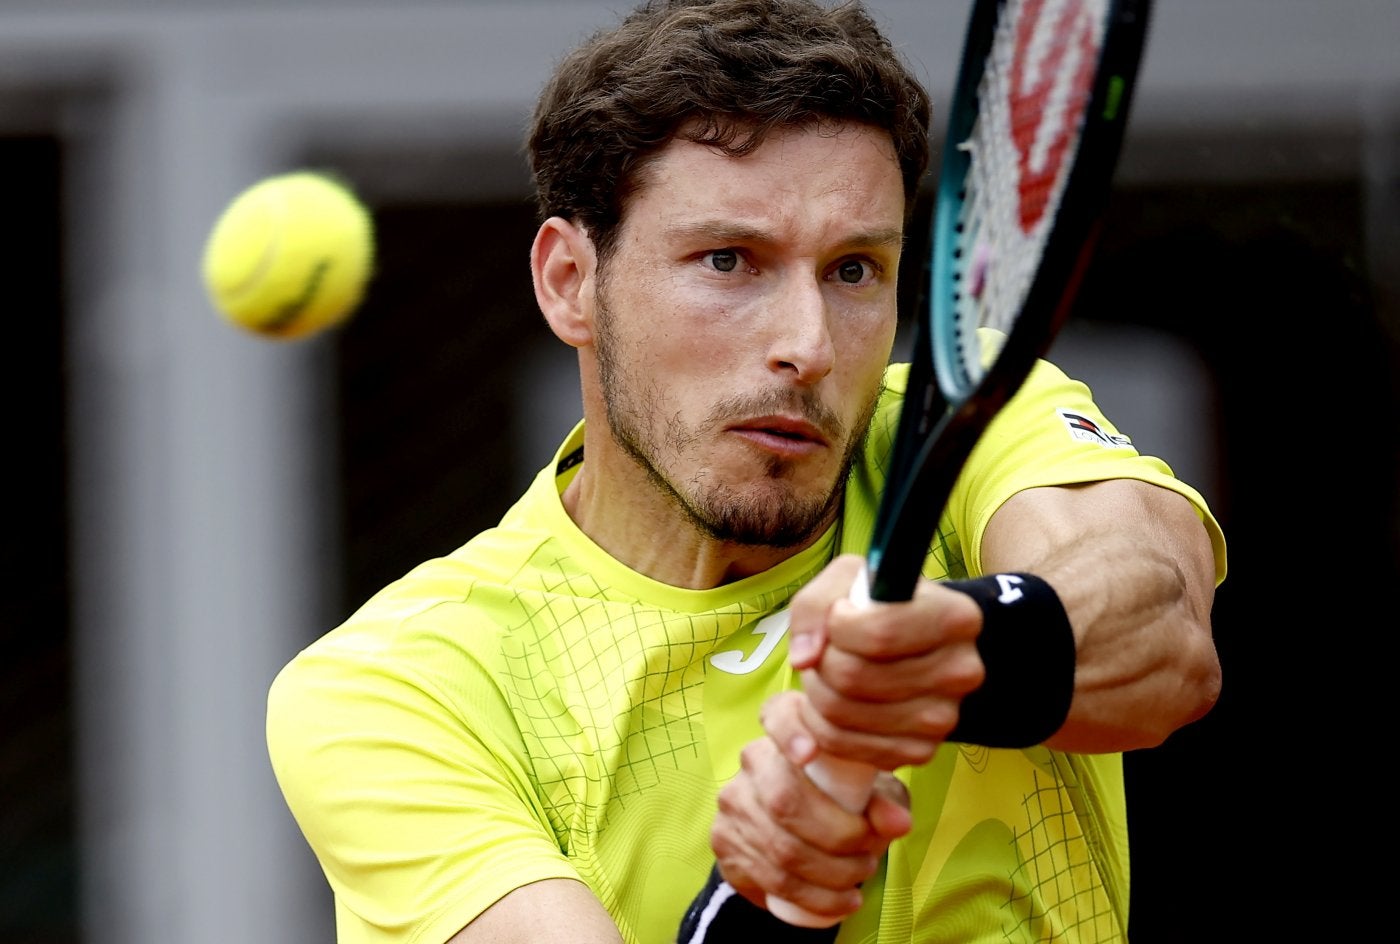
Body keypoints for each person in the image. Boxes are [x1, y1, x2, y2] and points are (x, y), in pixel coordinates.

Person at [265, 1, 1228, 942]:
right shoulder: (401, 686)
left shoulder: (969, 420)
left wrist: (954, 654)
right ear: (570, 282)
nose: (807, 345)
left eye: (855, 270)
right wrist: (771, 902)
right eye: (729, 261)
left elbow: (1162, 630)